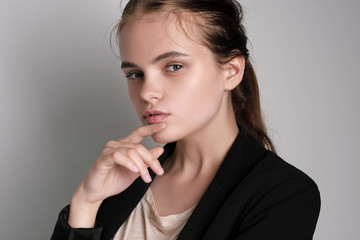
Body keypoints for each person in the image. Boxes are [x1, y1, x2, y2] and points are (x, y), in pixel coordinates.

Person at [51, 0, 321, 239]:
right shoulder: (122, 181)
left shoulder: (283, 196)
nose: (147, 92)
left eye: (174, 66)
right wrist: (86, 202)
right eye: (134, 74)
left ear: (231, 72)